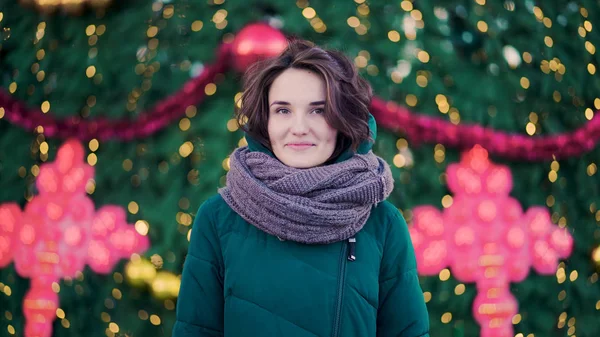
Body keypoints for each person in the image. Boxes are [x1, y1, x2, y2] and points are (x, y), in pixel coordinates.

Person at [172, 39, 430, 337]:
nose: (298, 128)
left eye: (318, 111)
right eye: (283, 111)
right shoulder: (217, 219)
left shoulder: (383, 223)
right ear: (264, 120)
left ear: (342, 119)